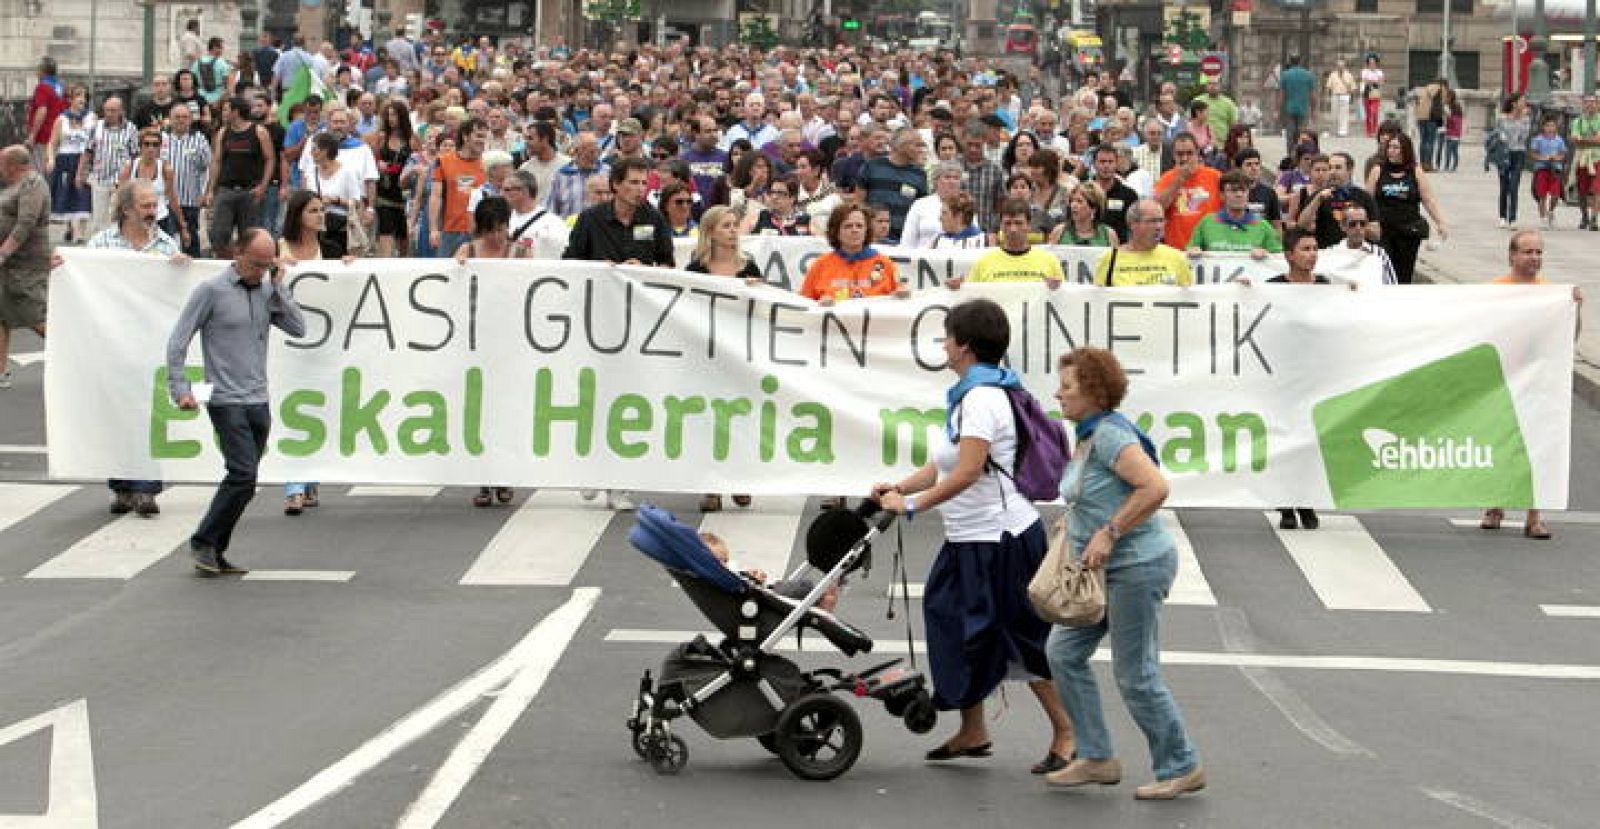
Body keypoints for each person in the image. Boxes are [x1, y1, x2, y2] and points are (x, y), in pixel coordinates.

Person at [867, 298, 1076, 775]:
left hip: (999, 539)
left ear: (963, 345)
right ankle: (973, 729)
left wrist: (913, 506)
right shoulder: (973, 392)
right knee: (953, 625)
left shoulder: (982, 399)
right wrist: (899, 486)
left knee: (1019, 636)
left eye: (946, 336)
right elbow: (944, 463)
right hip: (968, 537)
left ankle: (1068, 731)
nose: (942, 343)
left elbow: (967, 472)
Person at [1043, 346, 1203, 798]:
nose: (1058, 394)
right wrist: (1076, 521)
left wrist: (1109, 532)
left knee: (1136, 674)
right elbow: (1098, 490)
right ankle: (1096, 757)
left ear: (1093, 392)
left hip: (1136, 567)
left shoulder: (1112, 435)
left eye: (1068, 387)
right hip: (1106, 570)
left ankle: (1181, 764)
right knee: (1063, 653)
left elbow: (1155, 487)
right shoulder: (1089, 433)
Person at [167, 229, 306, 574]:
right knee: (242, 474)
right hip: (225, 399)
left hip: (259, 399)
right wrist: (181, 388)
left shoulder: (267, 289)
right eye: (256, 264)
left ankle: (215, 550)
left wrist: (280, 289)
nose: (260, 271)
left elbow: (299, 329)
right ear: (238, 252)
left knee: (246, 480)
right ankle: (203, 542)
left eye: (267, 265)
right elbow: (177, 342)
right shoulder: (211, 292)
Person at [1482, 231, 1584, 539]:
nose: (1534, 258)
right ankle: (1494, 505)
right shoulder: (1493, 291)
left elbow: (1570, 336)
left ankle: (1534, 515)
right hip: (1502, 376)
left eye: (1539, 252)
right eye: (1528, 252)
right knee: (1501, 442)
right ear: (1512, 255)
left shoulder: (1551, 294)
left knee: (1536, 443)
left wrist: (1576, 308)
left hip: (1538, 378)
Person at [685, 205, 760, 513]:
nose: (732, 230)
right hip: (707, 352)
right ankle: (711, 485)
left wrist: (758, 289)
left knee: (740, 417)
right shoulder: (696, 270)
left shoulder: (748, 266)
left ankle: (739, 479)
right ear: (710, 231)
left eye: (735, 225)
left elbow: (763, 308)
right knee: (708, 419)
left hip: (740, 352)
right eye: (726, 225)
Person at [451, 196, 520, 509]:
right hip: (475, 342)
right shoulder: (468, 250)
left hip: (508, 343)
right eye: (491, 229)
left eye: (502, 228)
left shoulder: (519, 253)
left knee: (504, 411)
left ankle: (504, 476)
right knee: (478, 411)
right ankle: (483, 476)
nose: (497, 236)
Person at [0, 147, 52, 391]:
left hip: (26, 263)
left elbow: (26, 223)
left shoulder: (33, 184)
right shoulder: (14, 186)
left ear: (12, 165)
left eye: (2, 163)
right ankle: (0, 372)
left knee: (35, 317)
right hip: (10, 265)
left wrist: (4, 252)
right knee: (1, 316)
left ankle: (79, 353)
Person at [1366, 134, 1446, 285]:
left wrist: (1440, 222)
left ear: (1405, 150)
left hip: (1408, 232)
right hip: (1383, 232)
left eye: (1396, 147)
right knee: (1384, 272)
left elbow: (1428, 199)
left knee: (1404, 274)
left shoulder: (1415, 172)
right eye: (1390, 147)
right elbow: (1368, 200)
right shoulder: (1378, 170)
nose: (1391, 151)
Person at [203, 96, 275, 258]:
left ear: (236, 111)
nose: (224, 113)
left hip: (250, 191)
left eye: (227, 110)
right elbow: (217, 161)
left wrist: (263, 186)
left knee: (248, 236)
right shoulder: (223, 132)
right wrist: (210, 190)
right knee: (219, 234)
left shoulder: (259, 131)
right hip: (226, 189)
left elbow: (270, 159)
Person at [798, 204, 901, 306]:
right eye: (848, 226)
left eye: (859, 226)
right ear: (836, 231)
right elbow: (804, 305)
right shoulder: (820, 265)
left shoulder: (885, 264)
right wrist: (819, 304)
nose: (855, 230)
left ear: (867, 230)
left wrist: (903, 295)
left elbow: (900, 299)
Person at [957, 198, 1066, 287]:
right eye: (1008, 223)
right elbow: (970, 298)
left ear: (1029, 226)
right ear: (1000, 226)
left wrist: (1056, 290)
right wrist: (956, 289)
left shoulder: (1049, 261)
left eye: (1018, 223)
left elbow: (1065, 300)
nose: (1013, 229)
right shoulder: (983, 262)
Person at [1094, 199, 1192, 287]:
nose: (1158, 227)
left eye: (1161, 220)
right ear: (1133, 224)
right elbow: (1098, 300)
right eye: (1152, 221)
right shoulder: (1110, 259)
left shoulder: (1177, 258)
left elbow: (1190, 300)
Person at [1187, 170, 1282, 258]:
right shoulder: (1206, 223)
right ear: (1222, 195)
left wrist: (1267, 254)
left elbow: (1279, 258)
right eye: (1233, 190)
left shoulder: (1263, 225)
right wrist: (1193, 251)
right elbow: (1190, 252)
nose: (1239, 194)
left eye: (1243, 190)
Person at [77, 96, 137, 235]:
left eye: (113, 110)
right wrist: (80, 174)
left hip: (121, 181)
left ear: (121, 111)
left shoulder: (131, 129)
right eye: (107, 110)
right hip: (100, 178)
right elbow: (87, 152)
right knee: (98, 216)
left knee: (117, 215)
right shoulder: (96, 127)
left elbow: (134, 155)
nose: (109, 114)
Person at [428, 117, 487, 256]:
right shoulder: (443, 161)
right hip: (451, 231)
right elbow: (436, 196)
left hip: (480, 232)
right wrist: (433, 229)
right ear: (465, 137)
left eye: (485, 136)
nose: (482, 140)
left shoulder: (488, 164)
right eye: (478, 136)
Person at [858, 128, 928, 243]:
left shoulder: (920, 174)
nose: (920, 150)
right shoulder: (872, 167)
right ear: (901, 146)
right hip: (872, 239)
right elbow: (859, 202)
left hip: (903, 239)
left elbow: (920, 209)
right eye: (916, 145)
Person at [1300, 152, 1382, 250]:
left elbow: (1376, 235)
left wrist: (1355, 224)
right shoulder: (1319, 196)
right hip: (1327, 252)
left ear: (1350, 170)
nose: (1332, 172)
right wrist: (1317, 200)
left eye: (1338, 168)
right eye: (1330, 168)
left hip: (1357, 254)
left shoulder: (1364, 197)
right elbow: (1302, 226)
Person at [1153, 133, 1221, 251]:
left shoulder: (1215, 176)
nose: (1184, 158)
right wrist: (1179, 180)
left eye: (1189, 153)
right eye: (1180, 154)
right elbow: (1158, 208)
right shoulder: (1166, 178)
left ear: (1197, 152)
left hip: (1209, 249)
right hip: (1177, 249)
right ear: (1173, 155)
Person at [45, 85, 94, 244]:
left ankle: (80, 233)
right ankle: (70, 226)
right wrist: (51, 159)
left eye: (84, 95)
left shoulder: (91, 118)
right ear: (70, 99)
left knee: (83, 194)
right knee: (67, 193)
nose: (82, 99)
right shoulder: (62, 119)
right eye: (78, 95)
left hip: (84, 158)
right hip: (66, 159)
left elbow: (96, 141)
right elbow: (52, 143)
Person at [305, 132, 367, 259]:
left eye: (314, 149)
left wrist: (336, 200)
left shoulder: (347, 172)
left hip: (340, 230)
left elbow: (357, 202)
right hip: (317, 229)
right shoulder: (311, 173)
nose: (311, 153)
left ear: (325, 150)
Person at [118, 127, 185, 242]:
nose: (151, 148)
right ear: (140, 146)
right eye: (147, 144)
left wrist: (182, 225)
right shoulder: (130, 167)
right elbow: (120, 197)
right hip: (135, 220)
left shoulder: (165, 169)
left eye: (155, 145)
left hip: (160, 218)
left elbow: (172, 198)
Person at [162, 105, 210, 258]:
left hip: (190, 199)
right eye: (177, 117)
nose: (181, 120)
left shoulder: (200, 139)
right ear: (170, 119)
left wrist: (204, 193)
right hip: (165, 201)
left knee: (190, 240)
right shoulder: (161, 139)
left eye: (184, 117)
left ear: (190, 120)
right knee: (167, 241)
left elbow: (208, 168)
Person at [1321, 204, 1397, 285]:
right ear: (1342, 226)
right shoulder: (1330, 254)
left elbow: (1392, 287)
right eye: (1353, 224)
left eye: (1362, 223)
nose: (1358, 228)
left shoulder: (1379, 253)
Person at [503, 169, 568, 260]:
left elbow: (560, 254)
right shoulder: (503, 219)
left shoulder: (552, 223)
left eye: (507, 190)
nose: (502, 194)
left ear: (524, 191)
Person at [1491, 94, 1532, 229]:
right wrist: (1504, 139)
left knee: (1514, 187)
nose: (1524, 104)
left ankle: (1512, 218)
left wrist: (1520, 119)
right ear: (1514, 104)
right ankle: (1502, 216)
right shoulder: (1501, 118)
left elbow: (1523, 136)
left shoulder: (1525, 119)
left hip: (1518, 153)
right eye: (1522, 102)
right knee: (1504, 186)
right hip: (1504, 154)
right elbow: (1498, 134)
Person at [901, 161, 962, 249]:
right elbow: (907, 242)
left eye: (956, 178)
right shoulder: (920, 205)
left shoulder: (965, 206)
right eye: (947, 177)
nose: (952, 181)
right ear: (936, 181)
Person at [26, 57, 67, 174]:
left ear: (42, 71)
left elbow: (42, 110)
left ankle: (44, 193)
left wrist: (32, 136)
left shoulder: (42, 87)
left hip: (44, 137)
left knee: (40, 172)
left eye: (37, 70)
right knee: (53, 170)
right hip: (59, 136)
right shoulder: (60, 87)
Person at [1529, 115, 1569, 230]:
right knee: (1542, 195)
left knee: (1555, 194)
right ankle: (1543, 218)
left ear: (1556, 127)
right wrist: (1543, 158)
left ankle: (1551, 212)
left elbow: (1563, 153)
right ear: (1543, 127)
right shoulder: (1538, 139)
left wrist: (1557, 158)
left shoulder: (1559, 140)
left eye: (1552, 125)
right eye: (1547, 126)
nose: (1550, 128)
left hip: (1555, 170)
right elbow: (1533, 153)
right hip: (1542, 169)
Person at [1050, 183, 1118, 249]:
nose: (1073, 205)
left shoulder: (1109, 235)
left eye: (1079, 201)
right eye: (1072, 201)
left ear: (1093, 208)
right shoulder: (1059, 231)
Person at [1572, 95, 1600, 231]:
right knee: (1582, 190)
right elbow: (1575, 140)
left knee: (1597, 189)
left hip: (1597, 159)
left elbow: (1598, 140)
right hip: (1582, 159)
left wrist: (1583, 139)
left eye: (1593, 103)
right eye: (1587, 103)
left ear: (1598, 105)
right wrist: (1592, 139)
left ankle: (1594, 218)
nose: (1590, 105)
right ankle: (1584, 216)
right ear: (1583, 105)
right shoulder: (1577, 121)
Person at [1278, 56, 1316, 146]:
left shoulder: (1285, 75)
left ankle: (1291, 154)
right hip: (1303, 108)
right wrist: (1313, 110)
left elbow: (1281, 95)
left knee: (1290, 134)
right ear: (1300, 62)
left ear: (1290, 62)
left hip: (1290, 108)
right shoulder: (1308, 75)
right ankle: (1301, 152)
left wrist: (1277, 110)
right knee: (1302, 133)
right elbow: (1313, 95)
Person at [1361, 55, 1385, 137]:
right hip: (1367, 92)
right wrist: (1375, 80)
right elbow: (1365, 81)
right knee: (1368, 113)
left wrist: (1372, 81)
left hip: (1375, 92)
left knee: (1374, 112)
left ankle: (1374, 130)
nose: (1372, 64)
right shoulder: (1365, 71)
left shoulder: (1379, 72)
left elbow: (1381, 82)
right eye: (1370, 62)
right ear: (1368, 63)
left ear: (1376, 63)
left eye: (1373, 62)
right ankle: (1368, 131)